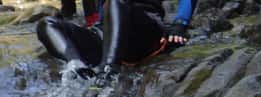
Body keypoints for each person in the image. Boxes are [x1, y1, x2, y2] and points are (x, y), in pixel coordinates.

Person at [37, 0, 198, 79]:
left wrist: (180, 23)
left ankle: (107, 70)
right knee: (46, 24)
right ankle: (76, 65)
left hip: (144, 27)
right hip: (105, 30)